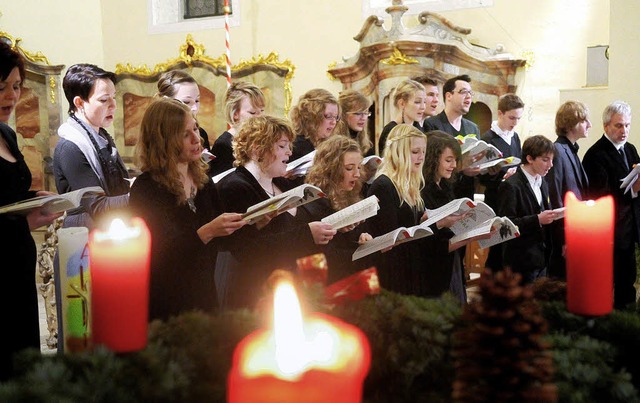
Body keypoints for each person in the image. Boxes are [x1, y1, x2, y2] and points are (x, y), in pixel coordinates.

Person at [129, 98, 245, 321]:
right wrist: (207, 232)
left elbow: (222, 239)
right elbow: (158, 254)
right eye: (185, 134)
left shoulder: (202, 180)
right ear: (163, 140)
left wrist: (254, 220)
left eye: (195, 128)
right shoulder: (147, 188)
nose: (197, 139)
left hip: (204, 294)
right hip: (166, 302)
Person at [216, 115, 336, 309]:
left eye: (288, 146)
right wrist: (307, 234)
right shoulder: (234, 187)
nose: (289, 152)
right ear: (257, 150)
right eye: (282, 146)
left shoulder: (281, 182)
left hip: (285, 287)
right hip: (251, 293)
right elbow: (247, 248)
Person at [0, 41, 62, 380]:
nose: (11, 96)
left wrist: (32, 198)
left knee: (24, 358)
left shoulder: (7, 133)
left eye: (16, 86)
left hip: (18, 261)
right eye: (1, 88)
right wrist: (24, 220)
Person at [53, 64, 130, 229]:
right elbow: (97, 206)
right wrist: (144, 195)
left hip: (109, 231)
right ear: (79, 103)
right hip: (84, 237)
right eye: (104, 100)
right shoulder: (70, 147)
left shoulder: (101, 136)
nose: (113, 105)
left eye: (113, 97)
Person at [583, 101, 640, 310]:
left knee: (627, 281)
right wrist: (632, 189)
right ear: (606, 126)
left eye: (627, 125)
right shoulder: (596, 154)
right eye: (618, 125)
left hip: (629, 228)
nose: (624, 130)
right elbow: (599, 196)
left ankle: (627, 324)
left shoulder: (631, 149)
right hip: (609, 230)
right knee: (607, 284)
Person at [298, 135, 373, 283]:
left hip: (353, 279)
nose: (357, 174)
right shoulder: (314, 203)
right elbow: (324, 256)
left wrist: (364, 239)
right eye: (349, 168)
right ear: (330, 169)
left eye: (359, 167)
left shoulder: (350, 196)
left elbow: (353, 238)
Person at [367, 124, 427, 295]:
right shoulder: (383, 185)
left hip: (410, 266)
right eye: (415, 152)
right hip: (392, 272)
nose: (421, 157)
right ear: (398, 152)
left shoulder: (412, 184)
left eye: (423, 151)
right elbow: (386, 238)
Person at [421, 131, 473, 302]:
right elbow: (431, 244)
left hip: (452, 262)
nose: (453, 165)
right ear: (433, 159)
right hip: (434, 270)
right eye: (448, 160)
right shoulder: (423, 190)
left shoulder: (445, 185)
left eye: (454, 160)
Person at [497, 135, 556, 285]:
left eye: (551, 159)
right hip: (520, 261)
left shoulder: (542, 182)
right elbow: (506, 225)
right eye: (545, 160)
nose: (550, 165)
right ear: (530, 158)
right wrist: (537, 219)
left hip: (541, 258)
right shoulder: (511, 185)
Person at [546, 100, 591, 279]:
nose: (590, 124)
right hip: (564, 236)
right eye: (585, 120)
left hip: (575, 230)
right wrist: (563, 240)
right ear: (571, 124)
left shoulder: (570, 150)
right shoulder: (558, 150)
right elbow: (555, 196)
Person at [479, 93, 524, 272]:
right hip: (496, 198)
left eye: (518, 118)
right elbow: (481, 176)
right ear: (500, 113)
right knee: (497, 247)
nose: (514, 122)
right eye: (511, 117)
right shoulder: (488, 139)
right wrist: (499, 175)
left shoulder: (515, 137)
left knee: (511, 248)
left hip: (512, 199)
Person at [424, 74, 481, 200]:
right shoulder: (432, 124)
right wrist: (461, 168)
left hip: (466, 193)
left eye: (470, 93)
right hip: (441, 194)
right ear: (448, 96)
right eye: (463, 92)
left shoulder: (473, 128)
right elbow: (429, 165)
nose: (469, 97)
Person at [209, 81, 265, 176]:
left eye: (262, 111)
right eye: (252, 112)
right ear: (235, 114)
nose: (260, 117)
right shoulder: (223, 146)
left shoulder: (261, 139)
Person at [156, 70, 212, 151]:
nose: (195, 108)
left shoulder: (201, 134)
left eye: (197, 101)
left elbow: (206, 162)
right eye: (187, 102)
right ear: (167, 102)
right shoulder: (158, 136)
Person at [289, 88, 339, 162]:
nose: (334, 122)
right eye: (329, 116)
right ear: (311, 116)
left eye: (336, 117)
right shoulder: (296, 146)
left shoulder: (327, 145)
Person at [377, 79, 426, 155]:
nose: (423, 107)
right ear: (402, 103)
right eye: (417, 102)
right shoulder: (390, 130)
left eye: (424, 102)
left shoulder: (420, 129)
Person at [334, 89, 374, 156]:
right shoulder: (333, 145)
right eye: (358, 113)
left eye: (366, 113)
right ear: (343, 115)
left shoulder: (365, 145)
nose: (363, 118)